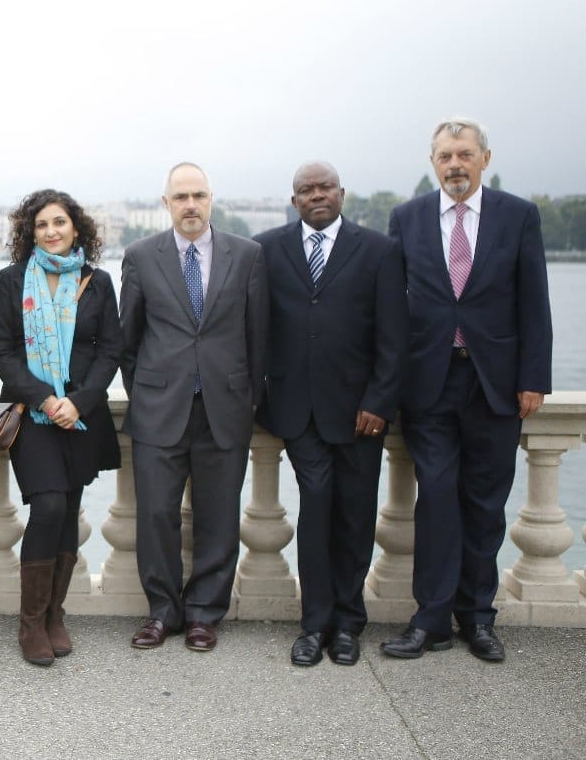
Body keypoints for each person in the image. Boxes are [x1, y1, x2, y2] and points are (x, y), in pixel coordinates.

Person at [381, 119, 552, 662]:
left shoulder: (518, 216)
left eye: (465, 154)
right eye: (445, 156)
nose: (455, 164)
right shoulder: (406, 218)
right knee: (435, 500)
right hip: (428, 382)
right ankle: (429, 619)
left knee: (484, 505)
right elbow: (389, 308)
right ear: (433, 163)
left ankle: (477, 619)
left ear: (485, 158)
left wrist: (533, 378)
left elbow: (534, 301)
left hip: (495, 385)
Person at [255, 161, 408, 667]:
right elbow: (257, 329)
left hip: (361, 413)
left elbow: (393, 335)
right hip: (296, 411)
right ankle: (314, 625)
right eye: (306, 190)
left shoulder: (380, 251)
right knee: (316, 507)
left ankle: (348, 624)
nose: (316, 195)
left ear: (341, 193)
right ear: (294, 199)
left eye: (325, 188)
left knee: (356, 515)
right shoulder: (268, 249)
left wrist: (380, 401)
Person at [119, 162, 267, 653]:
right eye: (180, 196)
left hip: (224, 409)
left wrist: (248, 401)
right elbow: (128, 339)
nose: (190, 205)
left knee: (219, 516)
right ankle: (162, 612)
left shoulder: (247, 255)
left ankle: (205, 613)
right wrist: (145, 393)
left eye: (198, 195)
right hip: (159, 409)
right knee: (157, 515)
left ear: (211, 200)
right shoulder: (141, 257)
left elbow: (257, 337)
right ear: (166, 203)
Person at [0, 190, 122, 666]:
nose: (51, 231)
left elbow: (110, 351)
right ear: (30, 232)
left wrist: (78, 402)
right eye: (41, 224)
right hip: (33, 416)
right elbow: (0, 351)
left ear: (76, 228)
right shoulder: (10, 282)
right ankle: (30, 624)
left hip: (81, 416)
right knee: (47, 507)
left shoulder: (98, 282)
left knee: (68, 511)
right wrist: (46, 398)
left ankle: (54, 617)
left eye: (59, 222)